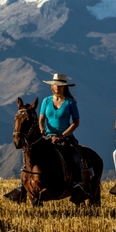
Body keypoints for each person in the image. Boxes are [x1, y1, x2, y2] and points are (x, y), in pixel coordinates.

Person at [38, 73, 90, 202]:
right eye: (55, 85)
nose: (57, 87)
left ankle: (77, 185)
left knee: (74, 155)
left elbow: (76, 122)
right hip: (48, 136)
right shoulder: (46, 101)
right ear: (52, 86)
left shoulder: (70, 102)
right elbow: (41, 119)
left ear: (64, 87)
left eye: (60, 85)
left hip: (65, 137)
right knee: (33, 154)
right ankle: (25, 184)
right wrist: (42, 129)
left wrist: (63, 135)